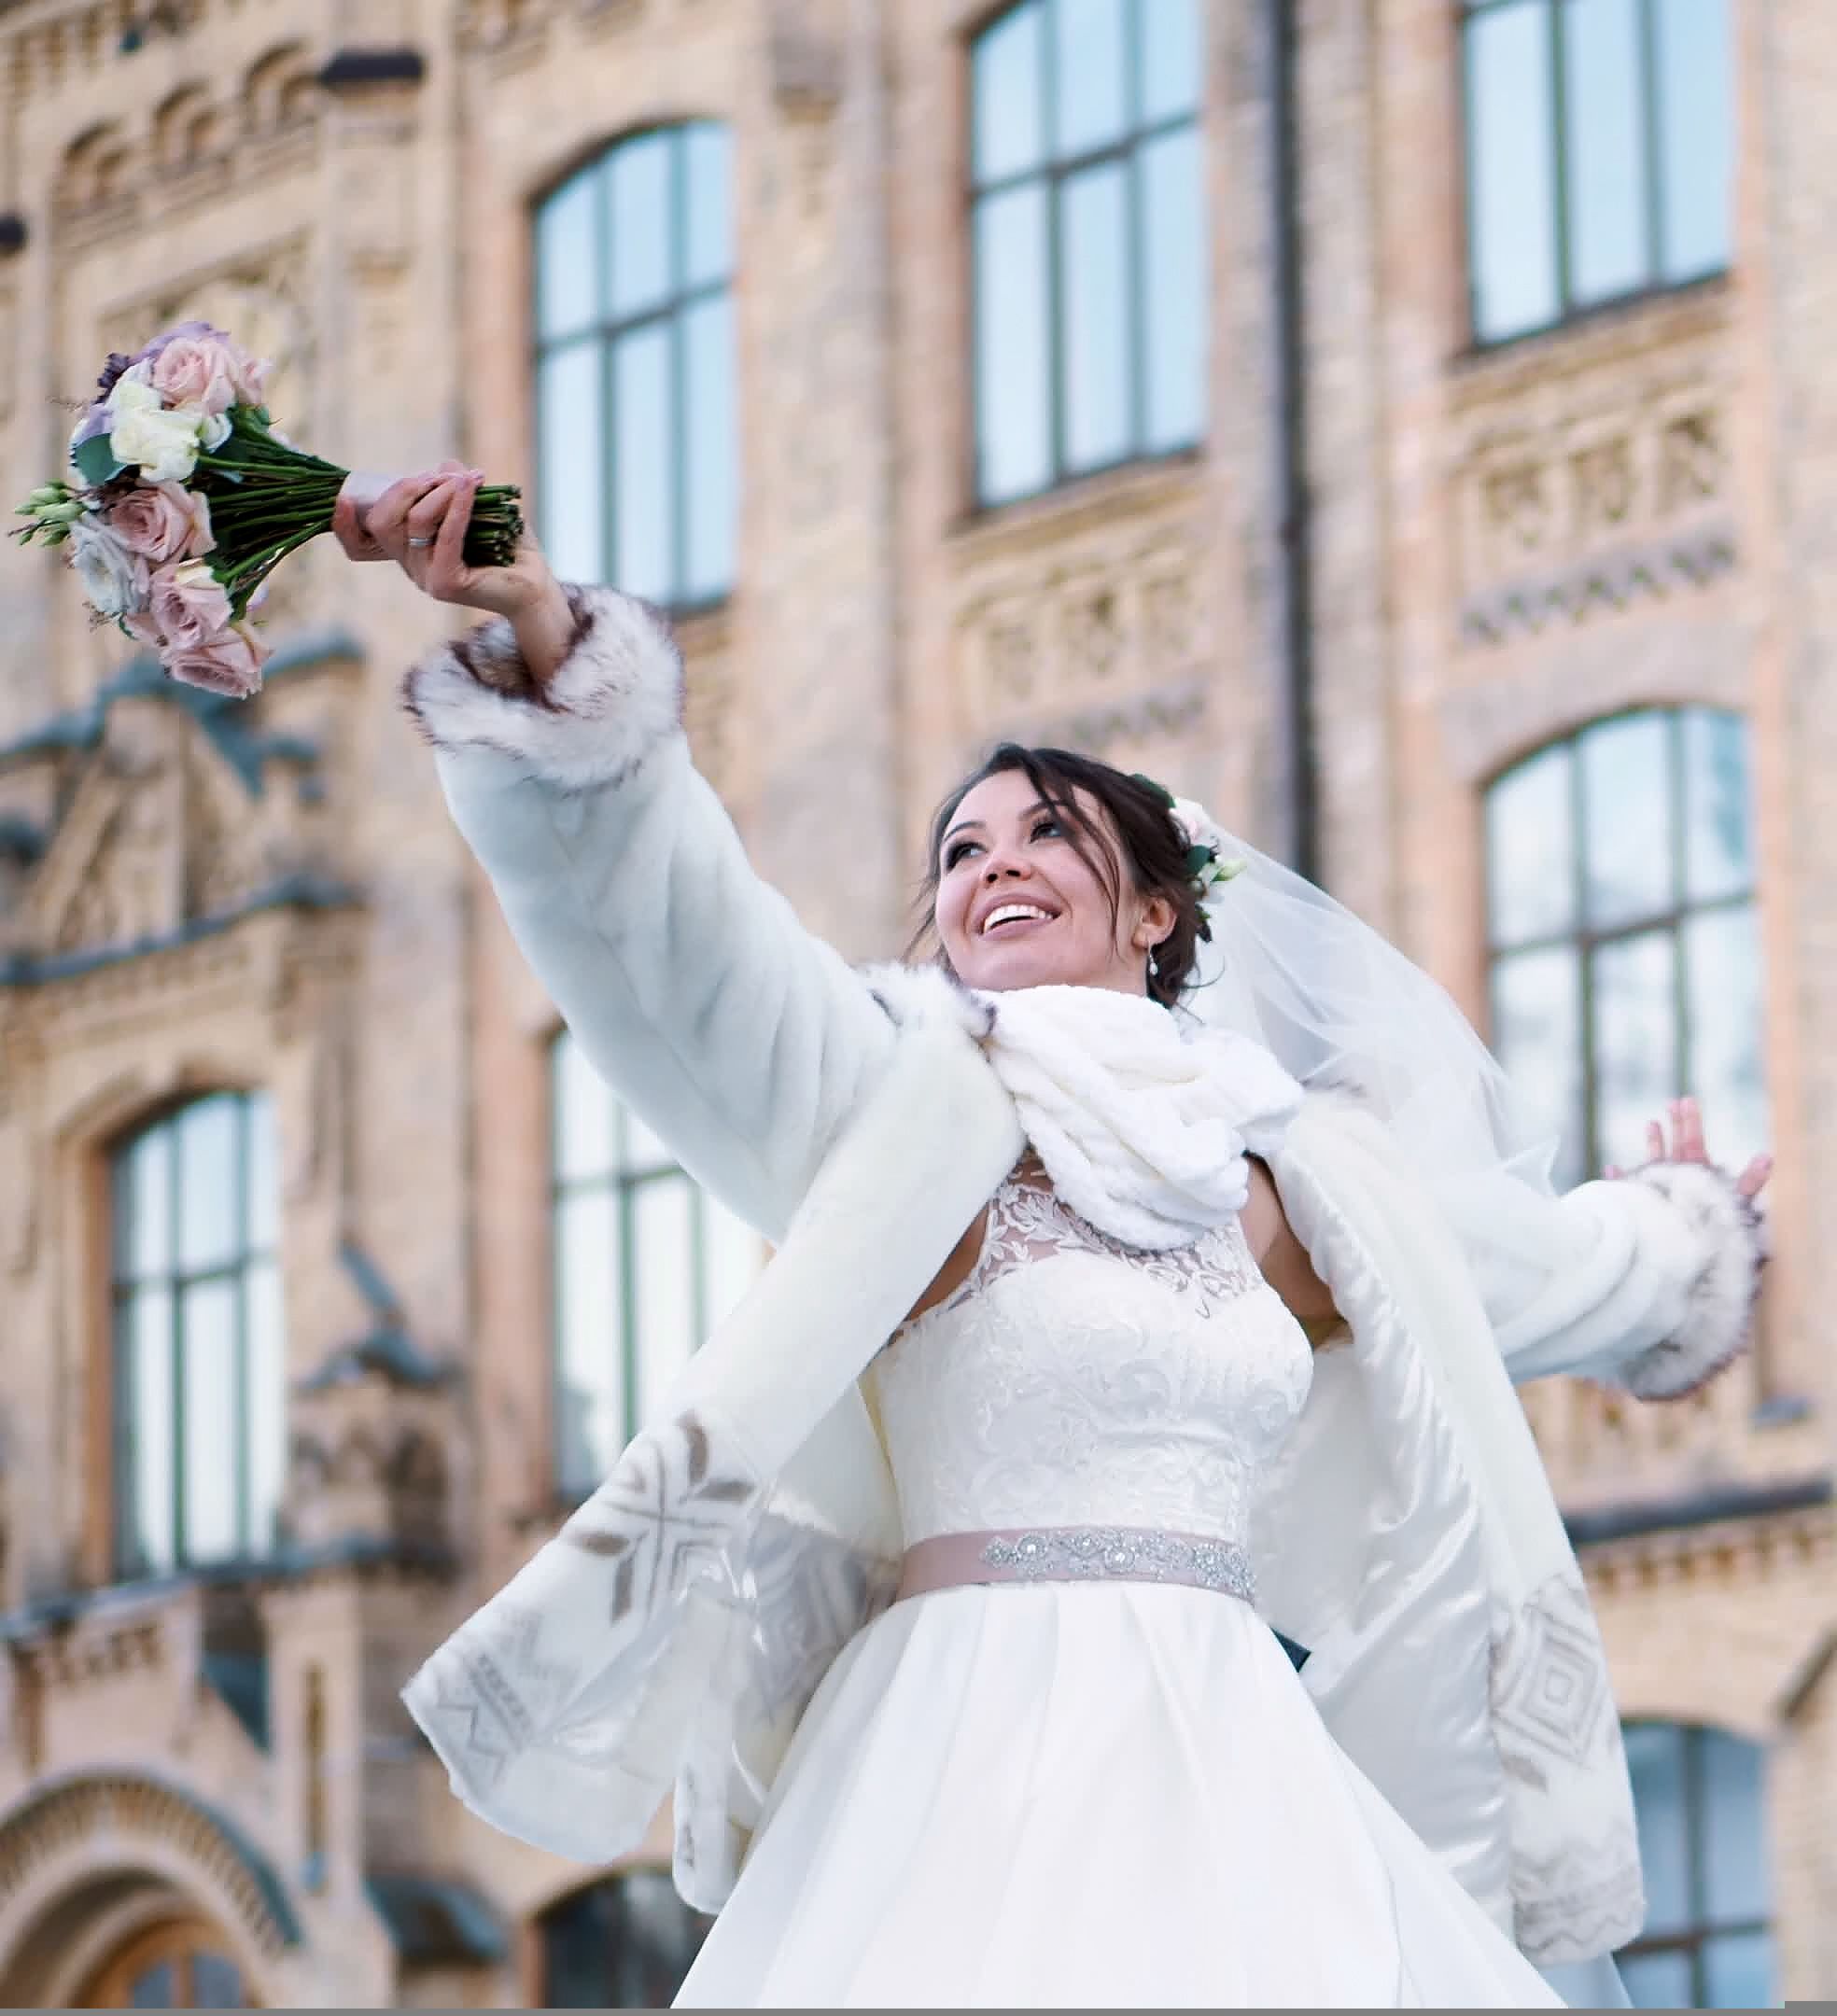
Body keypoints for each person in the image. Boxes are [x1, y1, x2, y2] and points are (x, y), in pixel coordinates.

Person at [336, 469, 1773, 2009]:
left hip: (1242, 1779)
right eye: (960, 852)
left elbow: (1519, 1278)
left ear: (1156, 910)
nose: (992, 862)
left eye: (1044, 833)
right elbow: (687, 958)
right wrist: (554, 640)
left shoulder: (1291, 1181)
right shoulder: (907, 1111)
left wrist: (1681, 1244)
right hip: (961, 1764)